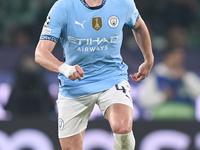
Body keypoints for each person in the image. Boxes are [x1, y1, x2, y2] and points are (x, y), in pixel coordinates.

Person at [35, 0, 154, 149]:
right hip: (75, 83)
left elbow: (139, 26)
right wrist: (65, 69)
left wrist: (148, 59)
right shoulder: (63, 6)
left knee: (122, 128)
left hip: (111, 77)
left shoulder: (123, 3)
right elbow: (40, 53)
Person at [138, 47, 200, 120]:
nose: (179, 60)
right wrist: (163, 96)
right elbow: (143, 101)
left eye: (181, 57)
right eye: (175, 56)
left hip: (186, 119)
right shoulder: (154, 76)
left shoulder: (188, 76)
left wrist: (185, 78)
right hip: (160, 119)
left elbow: (197, 93)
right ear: (167, 57)